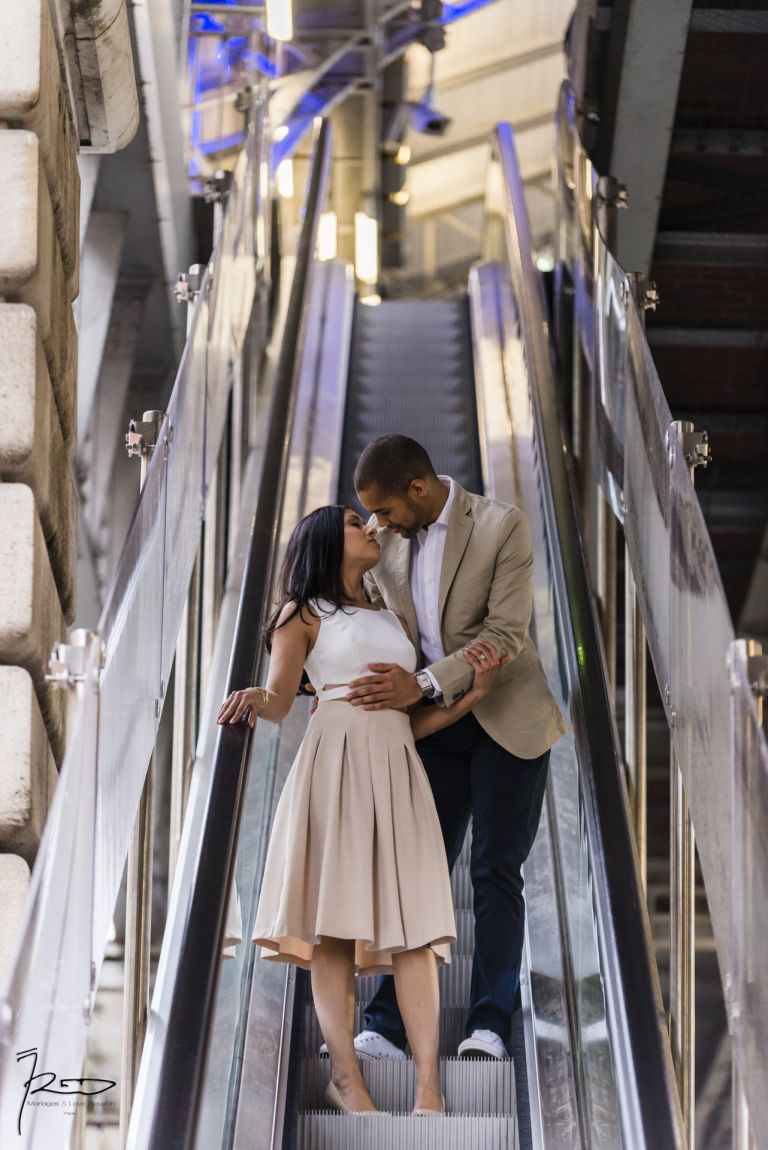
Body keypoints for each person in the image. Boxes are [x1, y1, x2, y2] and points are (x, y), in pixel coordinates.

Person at [216, 504, 507, 1115]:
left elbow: (410, 717)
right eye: (354, 520)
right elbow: (279, 698)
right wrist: (258, 694)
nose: (369, 526)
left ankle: (429, 1085)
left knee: (418, 929)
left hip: (399, 768)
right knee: (333, 929)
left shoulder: (391, 611)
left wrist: (471, 695)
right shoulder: (302, 613)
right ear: (325, 539)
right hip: (335, 766)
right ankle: (347, 1080)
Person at [343, 435, 568, 1062]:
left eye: (384, 510)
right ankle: (386, 1022)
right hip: (434, 726)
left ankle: (490, 1025)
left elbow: (505, 634)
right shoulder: (383, 543)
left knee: (496, 870)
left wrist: (420, 682)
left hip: (508, 721)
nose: (377, 524)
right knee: (417, 868)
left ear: (419, 489)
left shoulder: (502, 527)